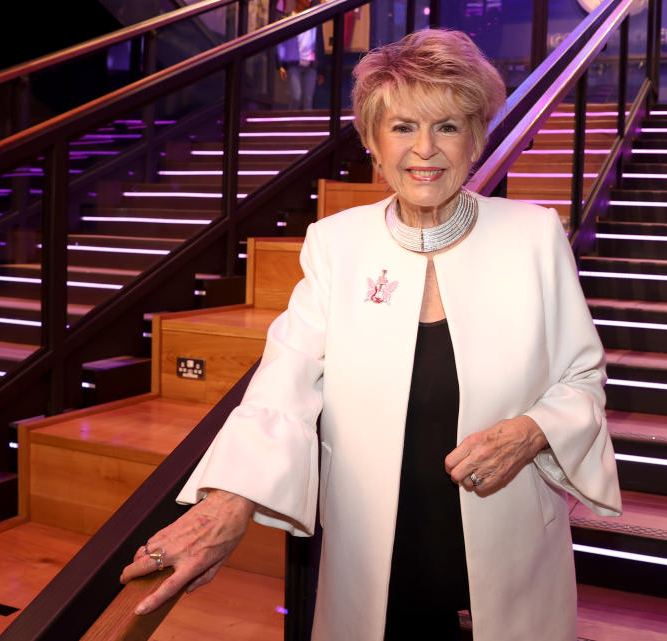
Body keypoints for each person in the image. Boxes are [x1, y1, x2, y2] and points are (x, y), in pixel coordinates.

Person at [120, 29, 621, 641]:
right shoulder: (337, 243)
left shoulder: (534, 235)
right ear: (372, 142)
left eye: (448, 126)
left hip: (510, 534)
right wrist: (230, 498)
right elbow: (286, 380)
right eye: (403, 127)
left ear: (476, 139)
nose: (425, 150)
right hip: (377, 545)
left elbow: (581, 377)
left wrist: (534, 429)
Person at [277, 0, 320, 110]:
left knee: (308, 100)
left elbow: (320, 42)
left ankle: (308, 126)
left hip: (310, 64)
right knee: (296, 97)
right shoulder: (288, 18)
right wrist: (280, 64)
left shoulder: (313, 18)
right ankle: (290, 125)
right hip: (293, 63)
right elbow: (281, 44)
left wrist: (320, 68)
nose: (310, 0)